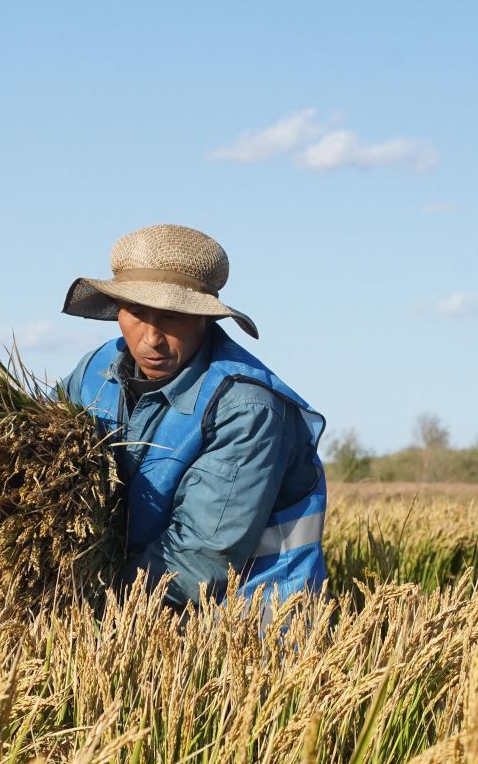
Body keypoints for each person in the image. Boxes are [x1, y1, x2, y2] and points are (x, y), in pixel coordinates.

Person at [61, 224, 326, 607]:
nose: (151, 338)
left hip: (245, 620)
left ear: (205, 318)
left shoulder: (247, 408)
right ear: (118, 310)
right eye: (136, 312)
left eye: (172, 317)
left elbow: (202, 555)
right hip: (135, 596)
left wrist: (92, 608)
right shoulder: (95, 370)